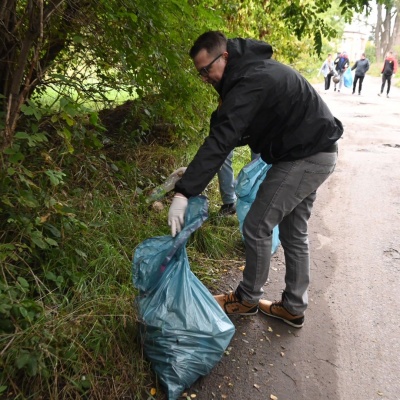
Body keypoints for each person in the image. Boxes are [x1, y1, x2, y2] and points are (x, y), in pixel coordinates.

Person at [167, 31, 343, 329]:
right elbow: (229, 128)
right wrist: (195, 171)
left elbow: (223, 137)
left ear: (223, 57)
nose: (204, 78)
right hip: (314, 150)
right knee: (293, 230)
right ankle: (293, 307)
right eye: (199, 73)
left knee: (257, 225)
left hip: (305, 156)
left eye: (205, 70)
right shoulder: (244, 73)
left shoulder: (250, 79)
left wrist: (184, 193)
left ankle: (246, 298)